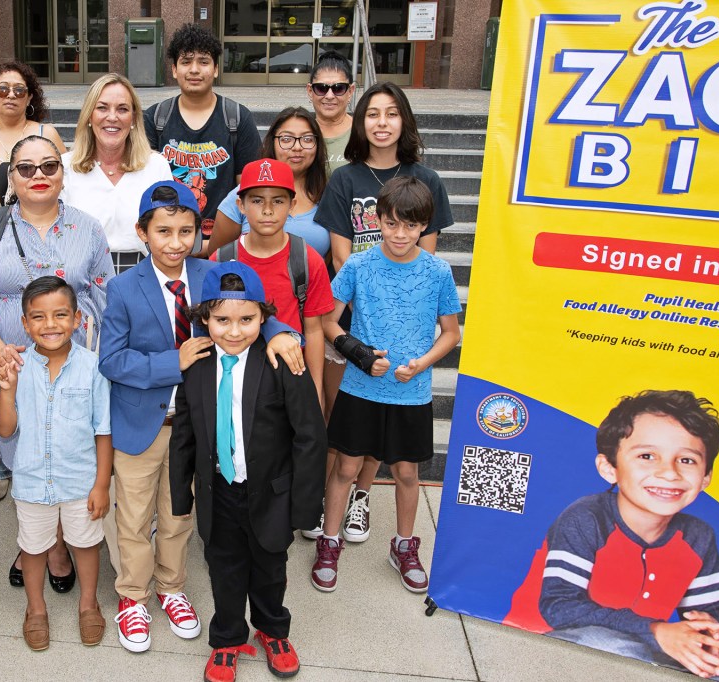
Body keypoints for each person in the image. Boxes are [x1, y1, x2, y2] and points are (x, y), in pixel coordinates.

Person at [98, 180, 305, 654]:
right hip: (143, 423)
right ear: (142, 232)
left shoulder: (210, 271)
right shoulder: (124, 287)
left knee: (179, 513)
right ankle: (133, 595)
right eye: (164, 231)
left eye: (186, 231)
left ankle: (172, 587)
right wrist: (176, 360)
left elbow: (250, 305)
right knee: (133, 515)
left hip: (201, 427)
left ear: (199, 231)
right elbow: (111, 360)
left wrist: (277, 331)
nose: (176, 243)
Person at [503, 390, 719, 682]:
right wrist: (657, 631)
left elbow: (708, 615)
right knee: (612, 648)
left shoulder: (698, 537)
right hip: (550, 639)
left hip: (643, 643)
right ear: (609, 468)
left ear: (706, 477)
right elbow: (559, 608)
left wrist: (715, 636)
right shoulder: (586, 518)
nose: (669, 473)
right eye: (647, 456)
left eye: (686, 460)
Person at [169, 261, 327, 681]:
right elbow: (184, 431)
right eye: (221, 320)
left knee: (271, 569)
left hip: (272, 493)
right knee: (223, 568)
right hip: (218, 490)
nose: (234, 331)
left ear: (264, 316)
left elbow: (309, 436)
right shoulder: (197, 364)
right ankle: (227, 638)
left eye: (247, 319)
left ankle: (273, 630)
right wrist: (182, 496)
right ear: (204, 319)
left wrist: (307, 506)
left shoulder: (282, 361)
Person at [313, 81, 454, 544]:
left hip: (408, 346)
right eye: (372, 113)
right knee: (349, 434)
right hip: (357, 323)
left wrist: (415, 351)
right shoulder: (347, 180)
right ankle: (335, 514)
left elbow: (426, 266)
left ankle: (366, 502)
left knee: (399, 456)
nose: (381, 122)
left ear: (404, 120)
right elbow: (340, 261)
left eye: (392, 113)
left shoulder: (426, 182)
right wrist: (355, 340)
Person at [312, 176, 461, 594]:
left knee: (407, 472)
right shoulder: (358, 265)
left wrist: (422, 364)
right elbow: (327, 319)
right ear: (377, 219)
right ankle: (330, 539)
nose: (400, 234)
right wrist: (359, 353)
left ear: (424, 226)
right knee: (345, 465)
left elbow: (451, 333)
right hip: (361, 388)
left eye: (410, 226)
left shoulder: (437, 271)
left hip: (411, 392)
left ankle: (403, 544)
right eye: (392, 223)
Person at [0, 135, 114, 592]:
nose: (38, 175)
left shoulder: (87, 228)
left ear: (62, 174)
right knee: (24, 449)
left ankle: (57, 543)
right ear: (11, 178)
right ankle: (35, 537)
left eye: (48, 166)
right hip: (7, 369)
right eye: (26, 168)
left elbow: (104, 291)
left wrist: (80, 344)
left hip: (71, 368)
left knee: (68, 448)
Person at [0, 276, 112, 651]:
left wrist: (102, 485)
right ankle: (35, 609)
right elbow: (4, 429)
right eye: (38, 317)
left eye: (60, 315)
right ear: (25, 324)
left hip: (80, 481)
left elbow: (102, 431)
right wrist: (7, 392)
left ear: (77, 319)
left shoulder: (92, 367)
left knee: (86, 544)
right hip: (30, 481)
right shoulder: (15, 367)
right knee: (33, 546)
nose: (50, 324)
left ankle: (88, 605)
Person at [211, 158, 334, 406]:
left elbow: (313, 330)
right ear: (241, 205)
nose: (267, 210)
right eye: (257, 201)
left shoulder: (307, 259)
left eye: (278, 201)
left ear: (292, 205)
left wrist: (316, 391)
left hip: (290, 379)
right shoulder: (222, 260)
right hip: (235, 378)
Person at [144, 23, 261, 245]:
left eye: (204, 62)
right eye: (186, 62)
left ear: (216, 69)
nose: (194, 70)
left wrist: (215, 246)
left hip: (223, 243)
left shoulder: (237, 118)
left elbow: (248, 191)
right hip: (167, 243)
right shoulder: (155, 118)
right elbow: (144, 188)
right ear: (174, 70)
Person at [63, 73, 173, 274]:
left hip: (143, 273)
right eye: (102, 108)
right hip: (80, 276)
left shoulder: (156, 166)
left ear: (133, 118)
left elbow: (168, 229)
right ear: (89, 116)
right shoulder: (65, 167)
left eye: (122, 109)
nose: (112, 117)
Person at [203, 107, 332, 260]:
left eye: (307, 139)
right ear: (272, 143)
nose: (297, 147)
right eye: (286, 139)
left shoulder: (328, 194)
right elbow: (217, 257)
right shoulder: (245, 192)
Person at [0, 61, 67, 161]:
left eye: (19, 90)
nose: (11, 95)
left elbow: (66, 173)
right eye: (3, 89)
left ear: (29, 98)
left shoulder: (47, 134)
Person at [306, 51, 354, 175]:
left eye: (339, 88)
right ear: (310, 91)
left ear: (350, 91)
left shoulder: (363, 131)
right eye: (321, 88)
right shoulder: (300, 132)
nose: (329, 96)